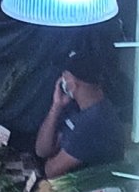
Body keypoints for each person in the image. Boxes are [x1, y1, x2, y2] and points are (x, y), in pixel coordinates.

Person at [35, 39, 126, 177]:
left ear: (72, 83)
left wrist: (52, 159)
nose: (61, 80)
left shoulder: (96, 122)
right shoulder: (77, 109)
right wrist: (56, 107)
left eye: (64, 77)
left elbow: (51, 170)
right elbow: (42, 151)